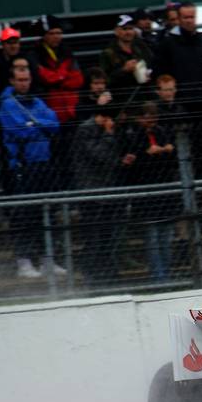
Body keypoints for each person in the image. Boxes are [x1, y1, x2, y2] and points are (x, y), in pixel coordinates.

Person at [0, 67, 62, 279]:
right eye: (20, 80)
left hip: (43, 163)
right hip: (22, 166)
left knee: (46, 212)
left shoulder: (37, 102)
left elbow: (55, 124)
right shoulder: (8, 104)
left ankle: (46, 259)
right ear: (12, 81)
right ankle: (23, 261)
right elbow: (20, 132)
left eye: (26, 79)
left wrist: (34, 122)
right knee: (23, 214)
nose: (24, 83)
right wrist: (39, 125)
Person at [156, 2, 202, 180]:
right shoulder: (168, 44)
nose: (189, 20)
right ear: (178, 19)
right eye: (185, 17)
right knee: (188, 151)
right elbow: (161, 73)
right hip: (183, 109)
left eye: (192, 17)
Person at [120, 101, 179, 283]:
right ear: (139, 118)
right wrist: (146, 154)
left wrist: (167, 150)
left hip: (165, 191)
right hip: (146, 193)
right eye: (147, 118)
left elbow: (173, 158)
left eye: (154, 118)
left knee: (166, 237)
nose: (151, 122)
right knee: (152, 238)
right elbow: (130, 163)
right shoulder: (131, 134)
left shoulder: (161, 132)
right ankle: (158, 276)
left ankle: (166, 273)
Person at [70, 108, 127, 283]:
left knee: (108, 236)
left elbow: (111, 157)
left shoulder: (107, 130)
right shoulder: (86, 129)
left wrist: (121, 161)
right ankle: (92, 275)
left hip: (107, 189)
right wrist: (108, 135)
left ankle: (109, 273)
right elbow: (98, 154)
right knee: (93, 236)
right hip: (91, 191)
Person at [30, 14, 84, 127]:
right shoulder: (35, 55)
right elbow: (45, 78)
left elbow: (78, 80)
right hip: (50, 111)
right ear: (44, 35)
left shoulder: (67, 52)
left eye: (59, 33)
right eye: (52, 33)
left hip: (72, 110)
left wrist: (56, 81)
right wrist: (63, 76)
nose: (56, 36)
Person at [99, 14, 155, 98]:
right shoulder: (108, 53)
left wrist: (149, 73)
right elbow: (105, 80)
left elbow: (153, 64)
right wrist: (124, 70)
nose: (128, 32)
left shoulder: (141, 47)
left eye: (131, 28)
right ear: (116, 31)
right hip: (121, 98)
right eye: (124, 29)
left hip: (144, 95)